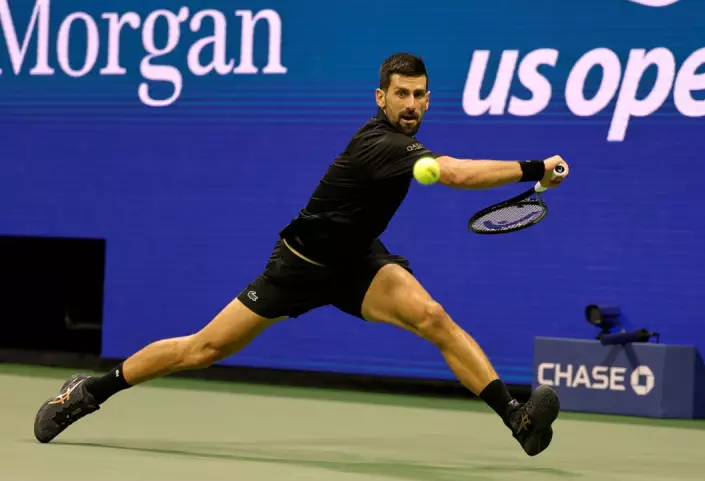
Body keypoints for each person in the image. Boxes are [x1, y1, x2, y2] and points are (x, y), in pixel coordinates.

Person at [33, 52, 569, 456]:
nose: (409, 104)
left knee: (433, 318)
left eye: (419, 95)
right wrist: (532, 168)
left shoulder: (405, 139)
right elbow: (451, 173)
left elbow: (448, 172)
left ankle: (517, 419)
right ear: (381, 98)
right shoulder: (379, 143)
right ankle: (87, 392)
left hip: (357, 263)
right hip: (299, 268)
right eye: (400, 94)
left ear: (428, 99)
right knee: (201, 349)